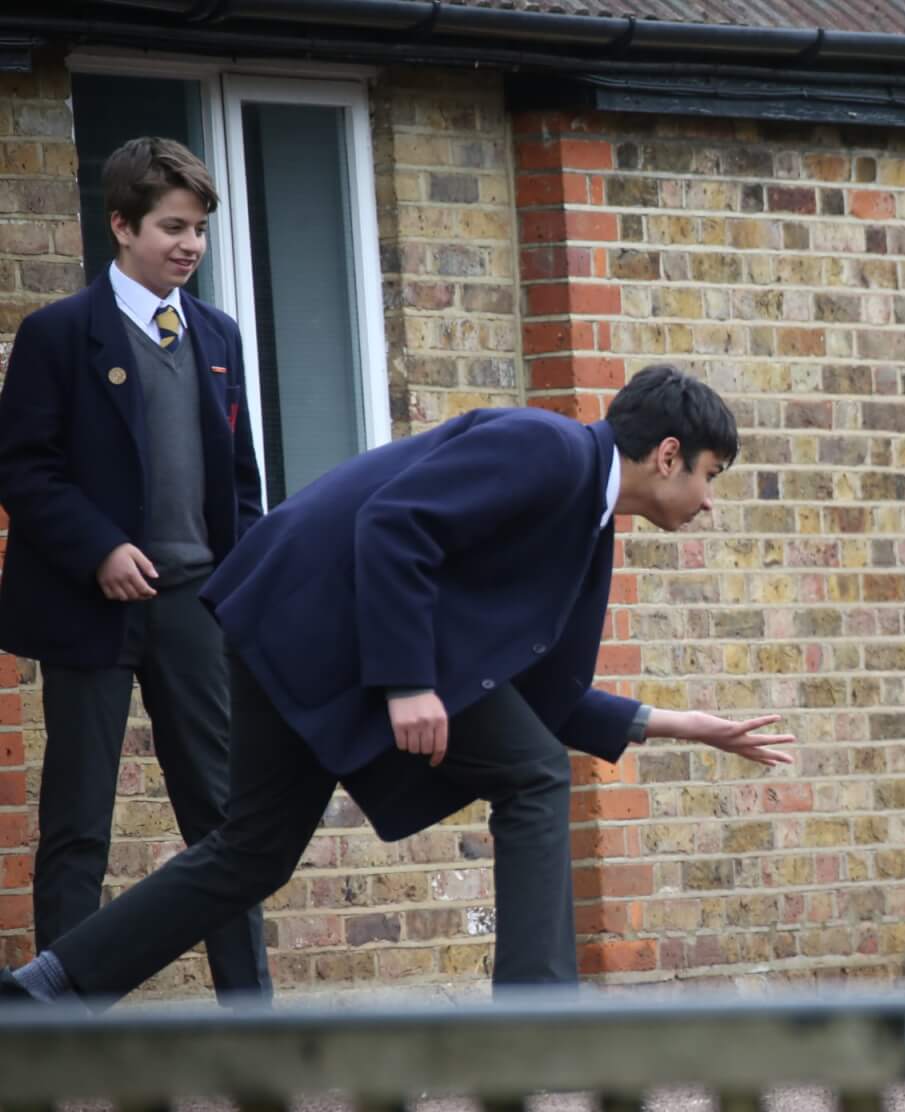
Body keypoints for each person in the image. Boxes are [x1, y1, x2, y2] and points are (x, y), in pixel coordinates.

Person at [0, 365, 794, 1004]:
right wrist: (408, 682)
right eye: (710, 477)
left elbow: (542, 698)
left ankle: (44, 992)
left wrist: (677, 723)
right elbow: (395, 524)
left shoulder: (586, 521)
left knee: (251, 853)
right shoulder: (546, 448)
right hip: (308, 623)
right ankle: (537, 1022)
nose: (709, 504)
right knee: (533, 776)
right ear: (667, 455)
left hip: (301, 632)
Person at [0, 137, 272, 1003]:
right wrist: (100, 549)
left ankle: (252, 1018)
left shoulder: (219, 336)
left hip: (199, 607)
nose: (189, 246)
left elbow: (240, 483)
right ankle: (65, 1029)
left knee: (225, 822)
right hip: (89, 606)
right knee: (78, 821)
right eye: (170, 228)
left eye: (197, 230)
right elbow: (22, 468)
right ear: (121, 226)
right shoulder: (57, 336)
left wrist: (251, 589)